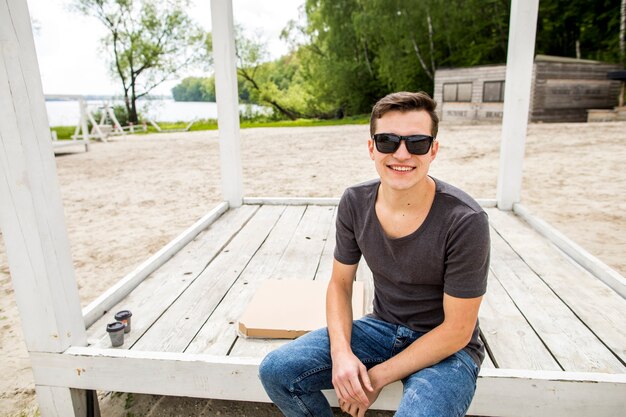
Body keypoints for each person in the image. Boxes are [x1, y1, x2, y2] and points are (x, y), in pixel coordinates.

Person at [259, 91, 490, 417]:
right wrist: (341, 355)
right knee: (277, 370)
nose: (402, 153)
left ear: (433, 150)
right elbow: (340, 284)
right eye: (387, 141)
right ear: (371, 148)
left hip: (448, 349)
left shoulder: (466, 220)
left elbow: (457, 331)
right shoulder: (355, 201)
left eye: (417, 143)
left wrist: (377, 376)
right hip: (382, 327)